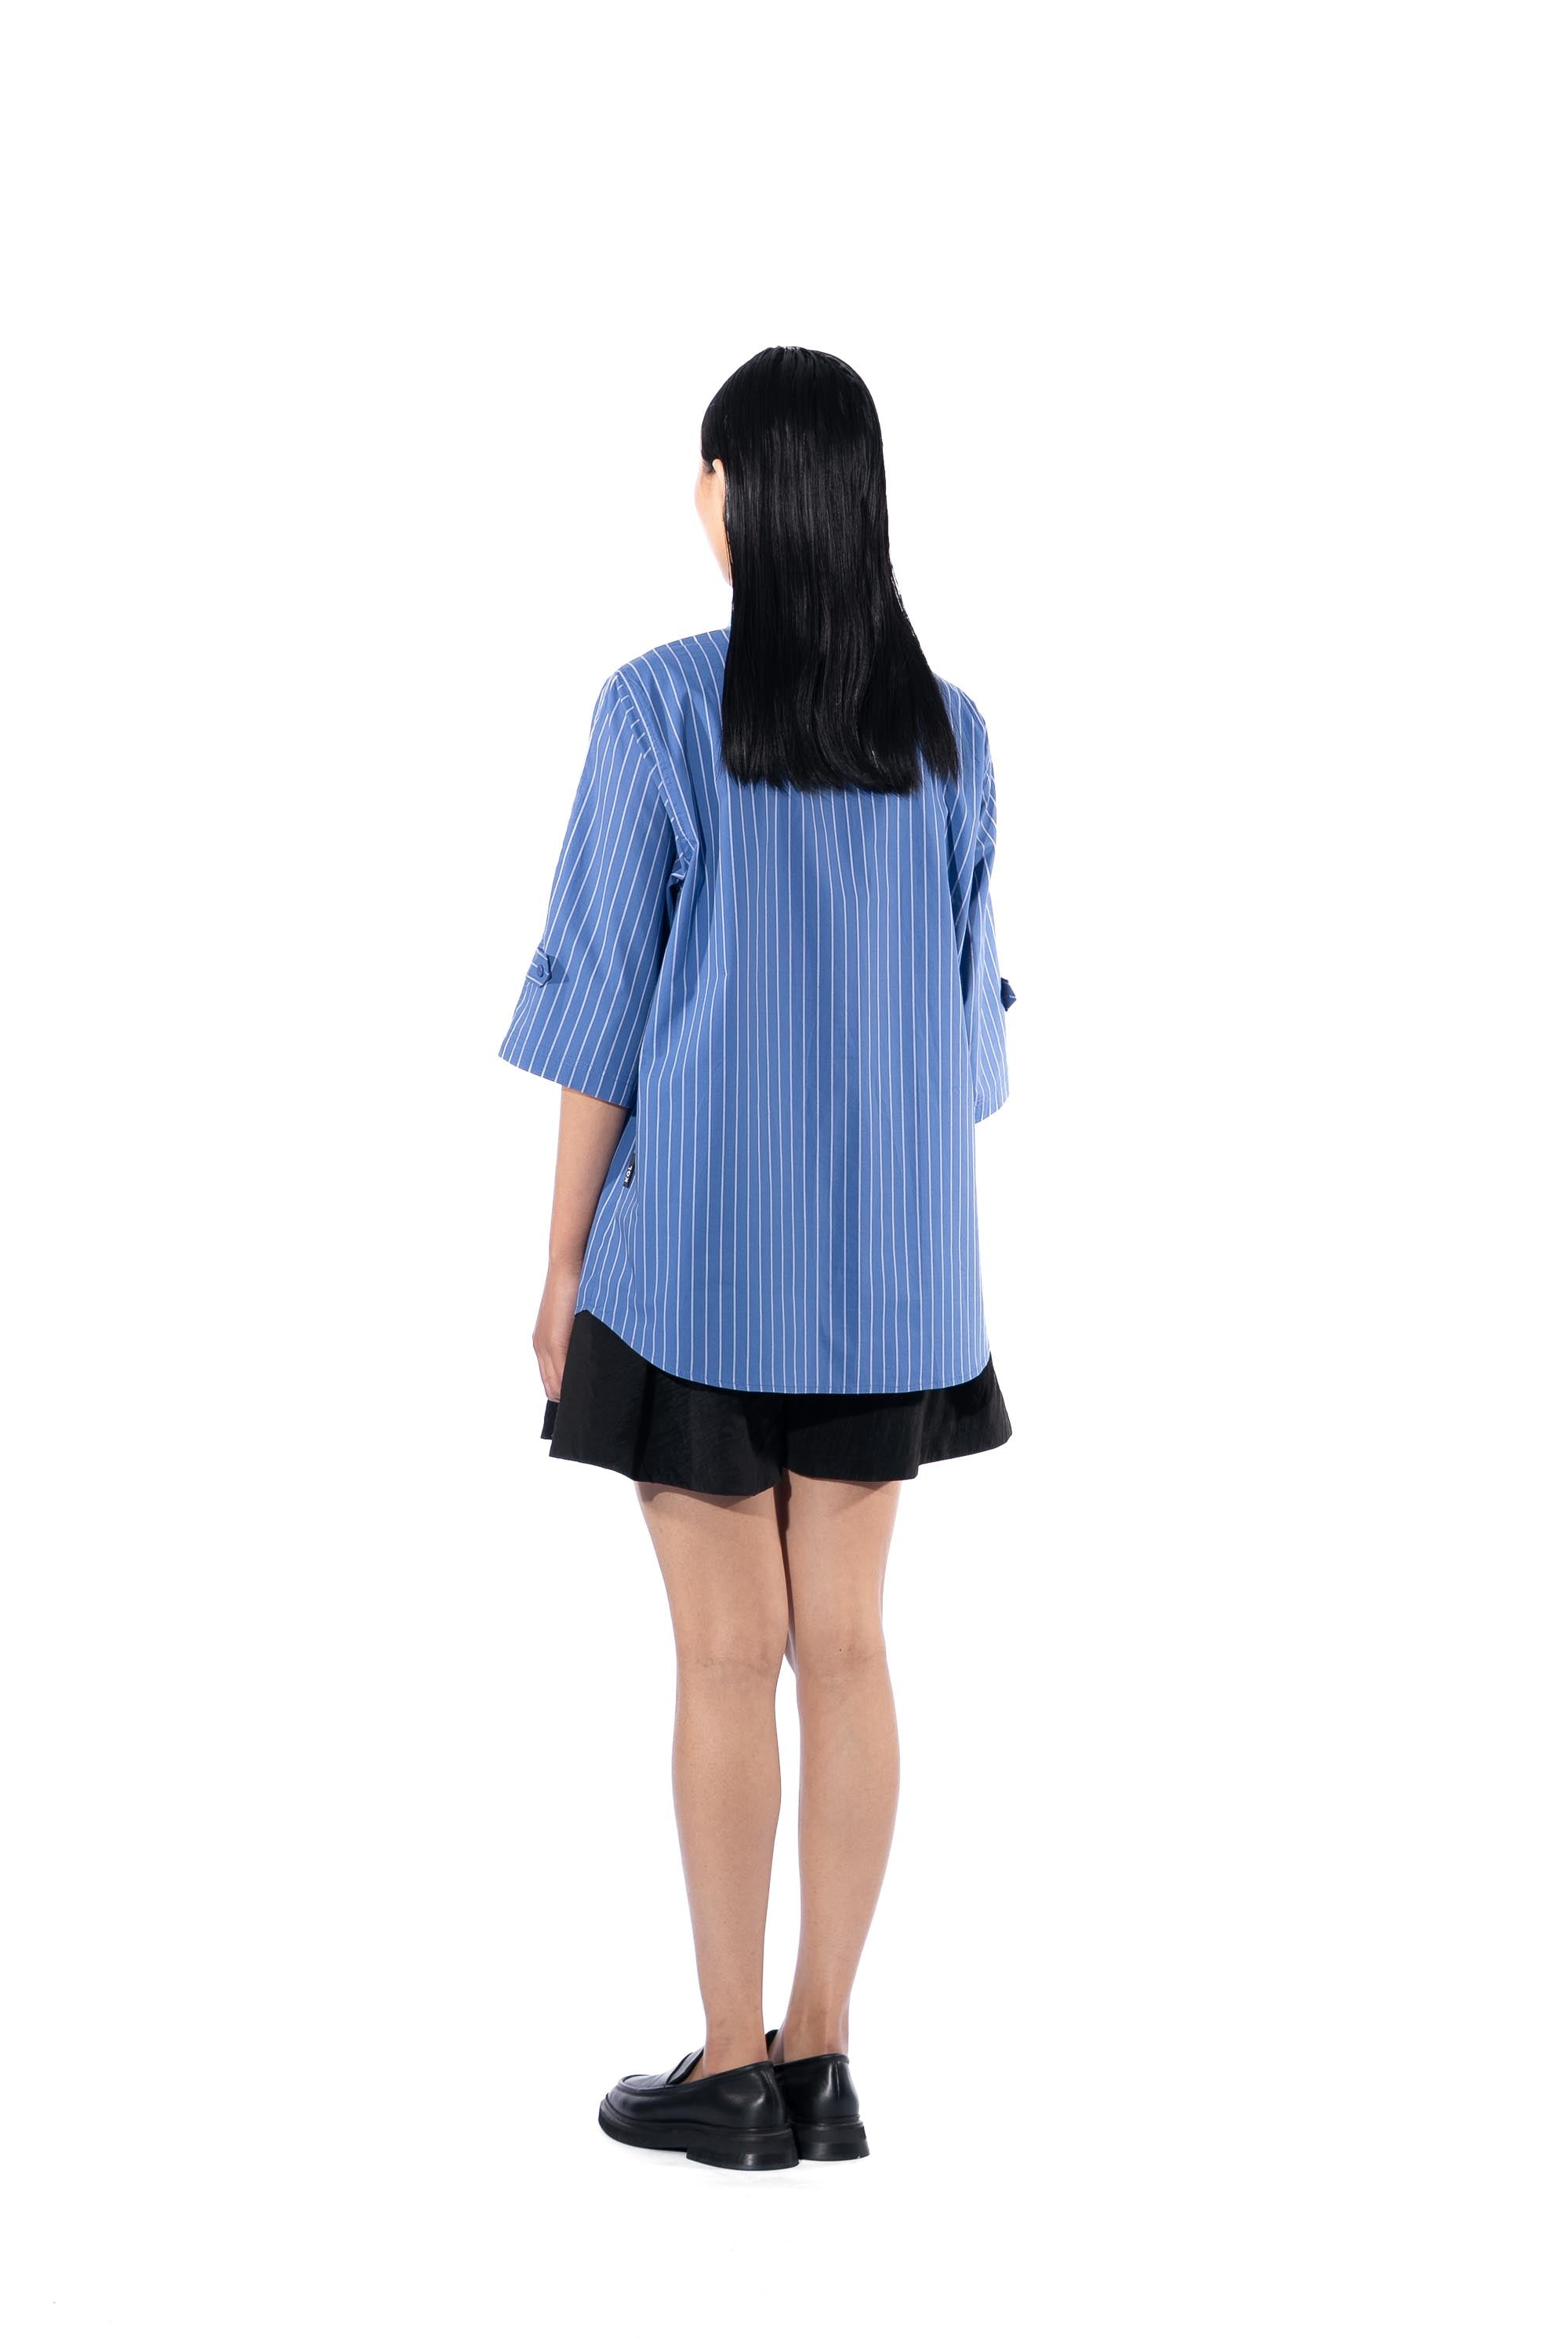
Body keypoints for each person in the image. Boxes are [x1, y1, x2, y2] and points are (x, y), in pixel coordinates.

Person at [498, 347, 1017, 2170]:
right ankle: (825, 2059)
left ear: (730, 494)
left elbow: (597, 1005)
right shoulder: (948, 732)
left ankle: (729, 2072)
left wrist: (562, 1263)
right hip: (896, 1279)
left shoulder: (655, 708)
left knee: (727, 1661)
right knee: (850, 1652)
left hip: (695, 1263)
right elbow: (970, 1050)